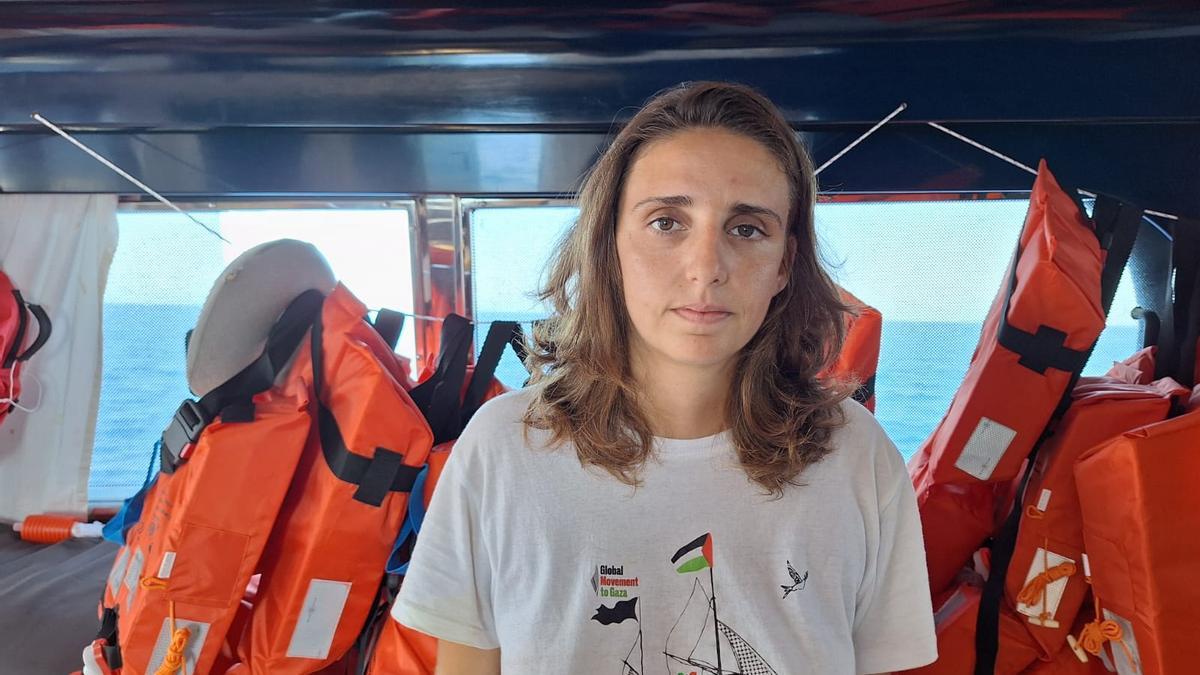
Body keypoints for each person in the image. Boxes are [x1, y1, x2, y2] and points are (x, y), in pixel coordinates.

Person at [392, 81, 937, 674]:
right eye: (667, 222)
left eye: (746, 229)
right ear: (610, 246)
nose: (706, 268)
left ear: (784, 264)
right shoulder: (502, 447)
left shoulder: (857, 457)